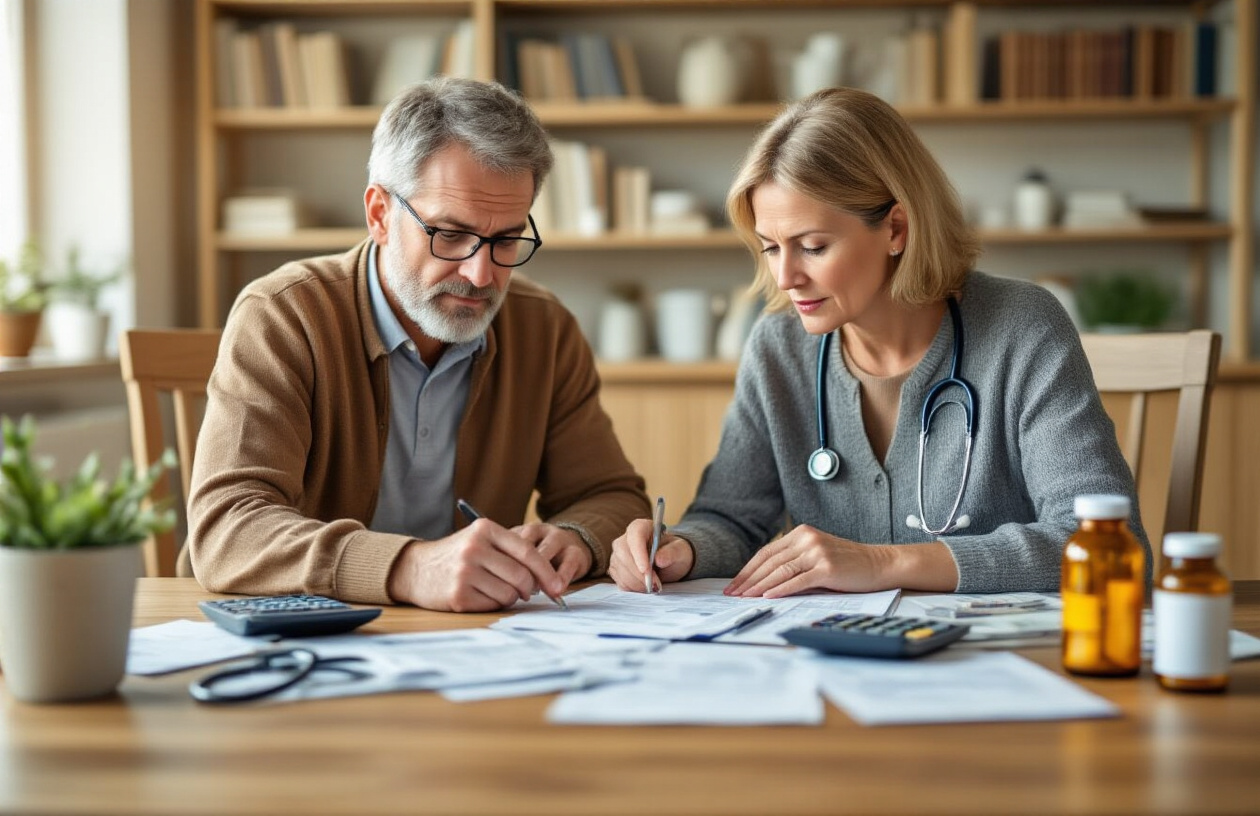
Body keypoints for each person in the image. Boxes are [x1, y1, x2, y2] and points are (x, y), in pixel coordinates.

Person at [609, 87, 1148, 597]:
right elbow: (730, 516)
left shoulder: (1022, 327)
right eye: (770, 248)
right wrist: (680, 548)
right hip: (838, 662)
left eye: (813, 246)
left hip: (998, 666)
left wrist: (880, 563)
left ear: (896, 229)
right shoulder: (777, 347)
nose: (785, 277)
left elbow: (1102, 545)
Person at [188, 77, 649, 612]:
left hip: (472, 641)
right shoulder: (284, 316)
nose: (481, 275)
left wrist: (576, 536)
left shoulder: (544, 330)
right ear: (380, 214)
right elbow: (228, 528)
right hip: (304, 638)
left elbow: (613, 496)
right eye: (450, 235)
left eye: (506, 240)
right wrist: (407, 567)